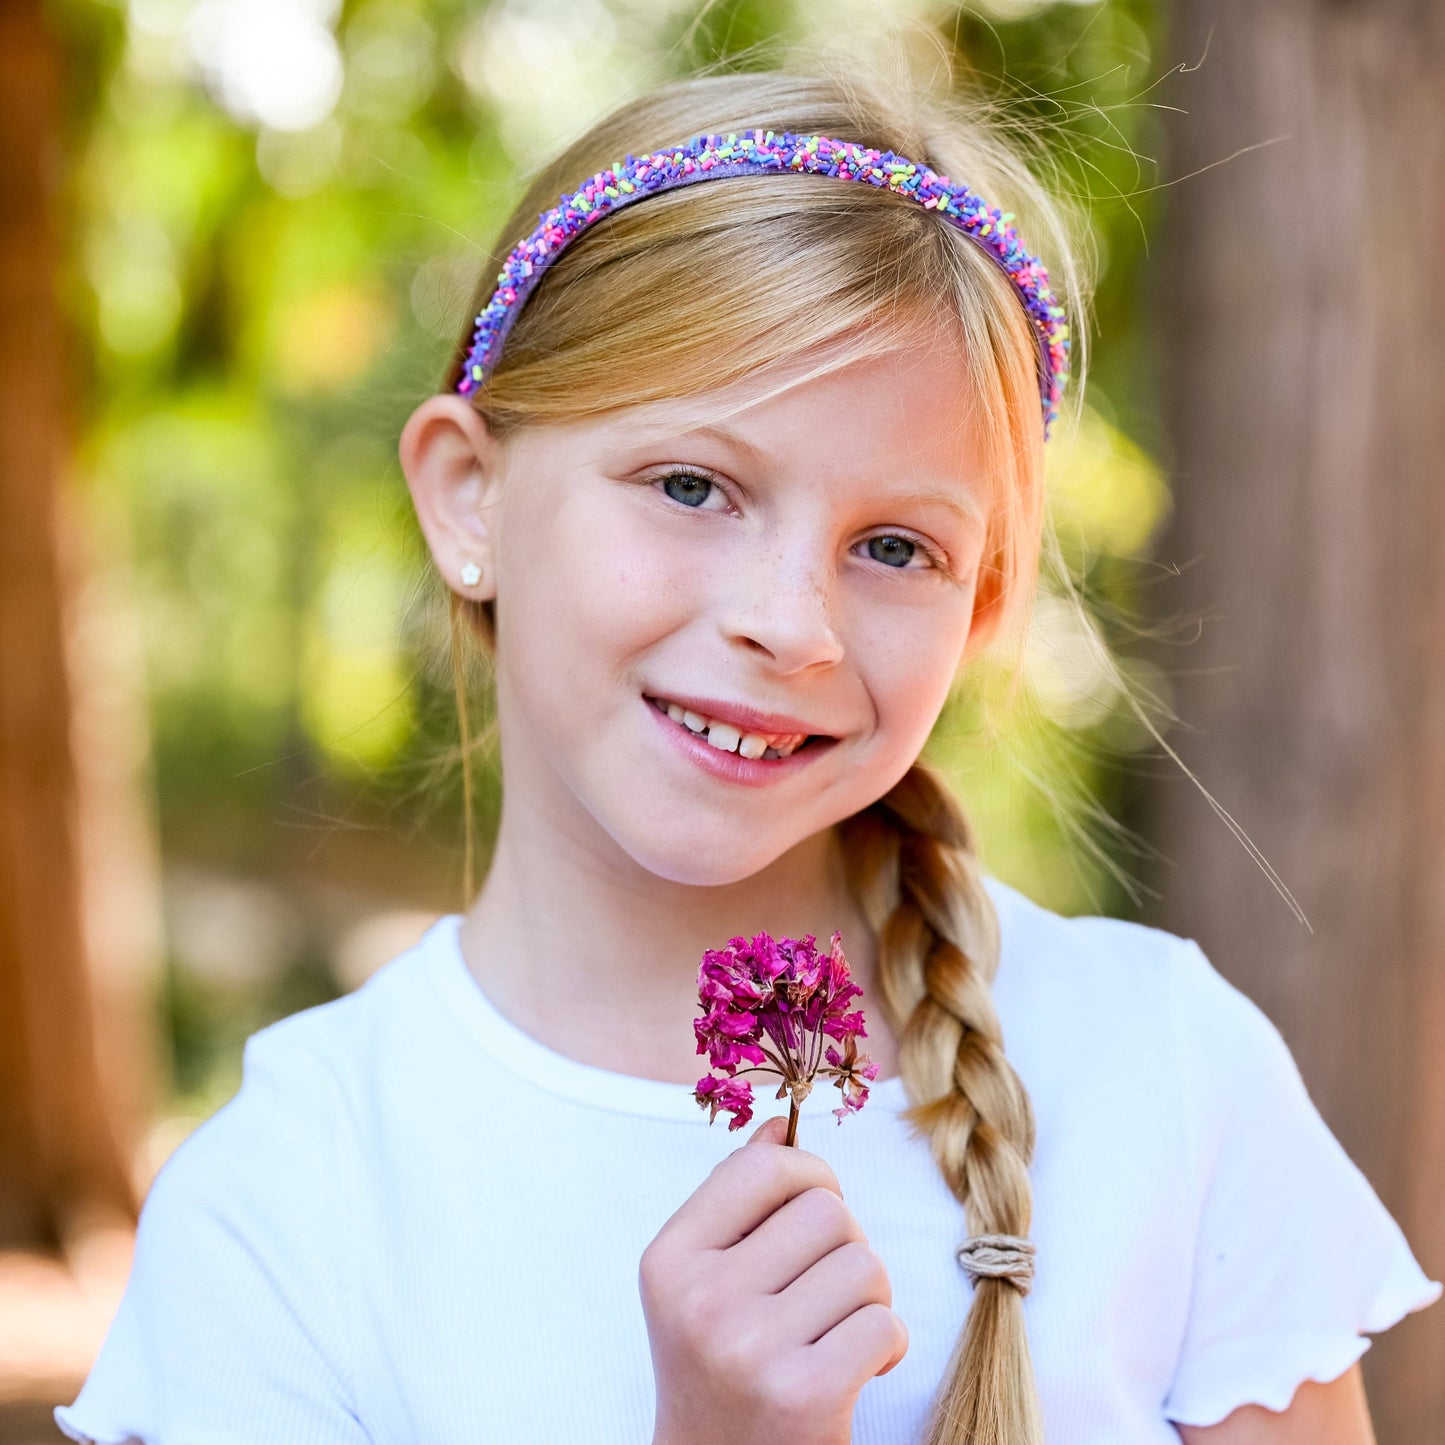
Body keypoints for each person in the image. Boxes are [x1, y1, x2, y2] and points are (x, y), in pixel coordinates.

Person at [56, 57, 1439, 1445]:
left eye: (895, 546)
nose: (792, 626)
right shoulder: (291, 1198)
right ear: (466, 494)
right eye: (692, 485)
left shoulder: (1166, 1079)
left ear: (982, 610)